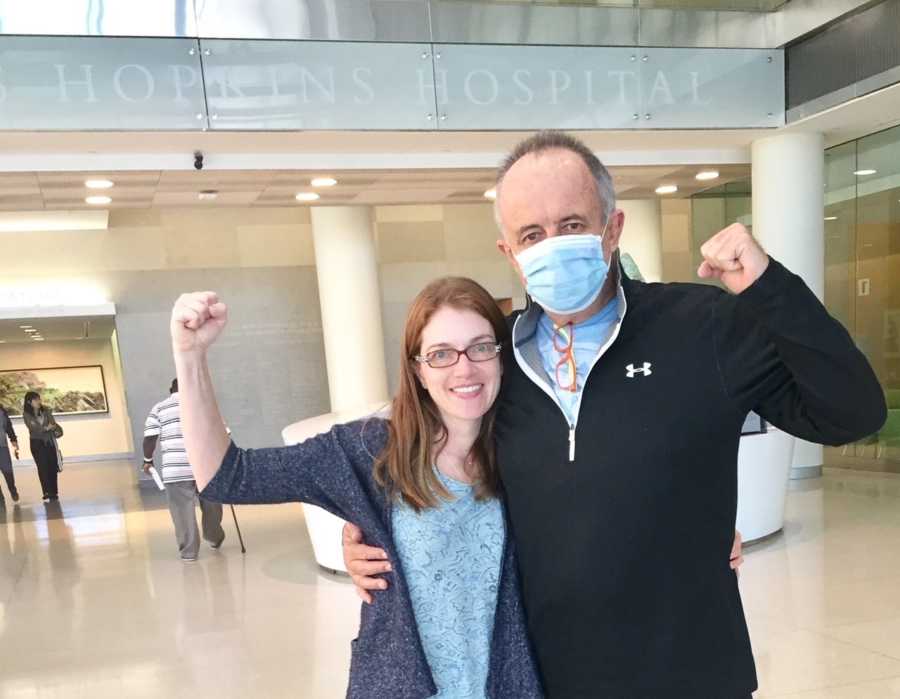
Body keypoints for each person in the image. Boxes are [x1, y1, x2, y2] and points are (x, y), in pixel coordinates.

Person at [344, 130, 887, 697]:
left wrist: (770, 289)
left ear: (613, 228)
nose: (552, 243)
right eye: (532, 233)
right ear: (510, 253)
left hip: (693, 672)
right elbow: (426, 466)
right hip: (547, 676)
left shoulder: (703, 325)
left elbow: (851, 413)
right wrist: (369, 533)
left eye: (573, 224)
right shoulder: (490, 367)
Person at [170, 277, 547, 698]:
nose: (464, 368)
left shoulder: (528, 451)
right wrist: (190, 357)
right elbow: (229, 476)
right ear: (418, 370)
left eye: (480, 347)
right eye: (441, 354)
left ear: (500, 356)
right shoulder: (370, 451)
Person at [143, 378, 225, 562]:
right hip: (206, 466)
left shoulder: (159, 408)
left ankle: (189, 552)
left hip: (175, 468)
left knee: (182, 511)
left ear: (170, 390)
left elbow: (150, 438)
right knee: (212, 505)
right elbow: (223, 433)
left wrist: (147, 460)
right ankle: (214, 537)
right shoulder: (204, 405)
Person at [22, 391, 62, 502]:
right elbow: (33, 428)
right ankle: (46, 492)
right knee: (42, 467)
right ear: (29, 402)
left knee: (52, 466)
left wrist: (51, 427)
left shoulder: (46, 410)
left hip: (49, 442)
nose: (38, 401)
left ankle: (54, 492)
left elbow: (53, 423)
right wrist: (46, 428)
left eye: (39, 399)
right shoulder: (26, 414)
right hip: (37, 444)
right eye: (36, 400)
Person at [0, 405, 20, 505]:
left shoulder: (1, 411)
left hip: (2, 446)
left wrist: (13, 440)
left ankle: (12, 489)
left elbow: (8, 426)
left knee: (7, 471)